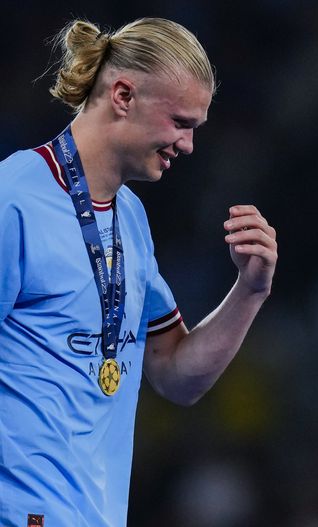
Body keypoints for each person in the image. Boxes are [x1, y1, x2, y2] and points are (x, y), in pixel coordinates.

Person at [0, 17, 278, 526]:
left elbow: (175, 375)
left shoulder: (130, 218)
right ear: (124, 95)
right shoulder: (13, 200)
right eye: (181, 123)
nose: (189, 145)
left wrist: (250, 290)